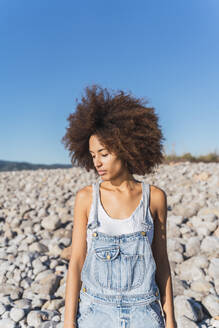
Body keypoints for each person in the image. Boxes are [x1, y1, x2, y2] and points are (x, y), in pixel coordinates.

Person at [62, 85, 177, 328]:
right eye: (93, 155)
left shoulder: (154, 198)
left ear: (124, 148)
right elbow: (77, 262)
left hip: (144, 313)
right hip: (95, 313)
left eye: (103, 153)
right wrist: (68, 322)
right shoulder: (86, 198)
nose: (97, 162)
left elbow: (162, 262)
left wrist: (171, 320)